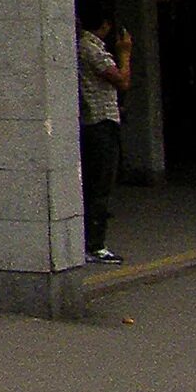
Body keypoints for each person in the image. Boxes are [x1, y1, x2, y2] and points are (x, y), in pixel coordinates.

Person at [78, 15, 130, 264]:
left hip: (91, 121)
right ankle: (95, 244)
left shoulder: (80, 46)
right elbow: (122, 81)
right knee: (101, 184)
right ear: (105, 24)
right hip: (101, 123)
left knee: (93, 184)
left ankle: (90, 240)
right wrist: (125, 53)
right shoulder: (92, 50)